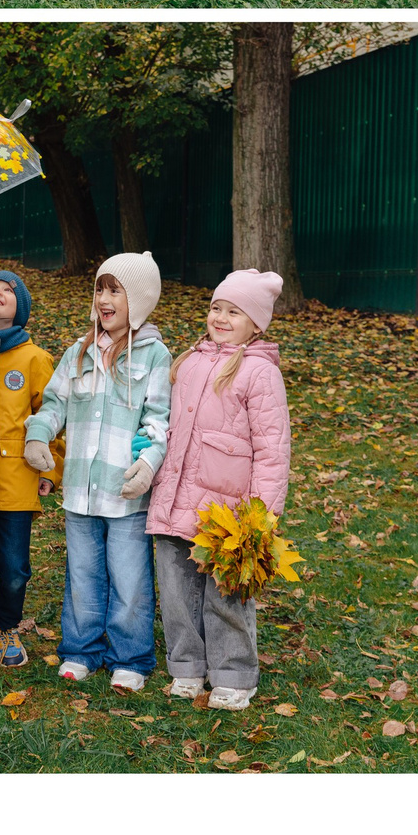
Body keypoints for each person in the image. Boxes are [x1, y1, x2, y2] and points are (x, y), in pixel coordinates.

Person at [23, 253, 169, 690]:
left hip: (126, 493)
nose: (104, 299)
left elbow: (159, 419)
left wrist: (147, 464)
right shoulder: (78, 352)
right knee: (83, 575)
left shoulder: (154, 356)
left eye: (115, 290)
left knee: (129, 579)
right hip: (80, 493)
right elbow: (54, 404)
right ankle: (81, 650)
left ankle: (130, 657)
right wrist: (38, 435)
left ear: (139, 300)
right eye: (100, 289)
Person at [149, 269, 291, 710]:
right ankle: (187, 667)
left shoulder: (259, 373)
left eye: (235, 311)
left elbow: (272, 450)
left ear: (257, 324)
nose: (222, 317)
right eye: (216, 308)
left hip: (227, 511)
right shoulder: (189, 362)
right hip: (176, 499)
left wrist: (261, 516)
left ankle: (232, 674)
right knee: (175, 592)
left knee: (225, 594)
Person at [0, 269, 55, 668]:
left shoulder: (34, 358)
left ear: (20, 307)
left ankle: (6, 624)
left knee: (13, 568)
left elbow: (55, 417)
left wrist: (49, 470)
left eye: (6, 290)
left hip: (17, 481)